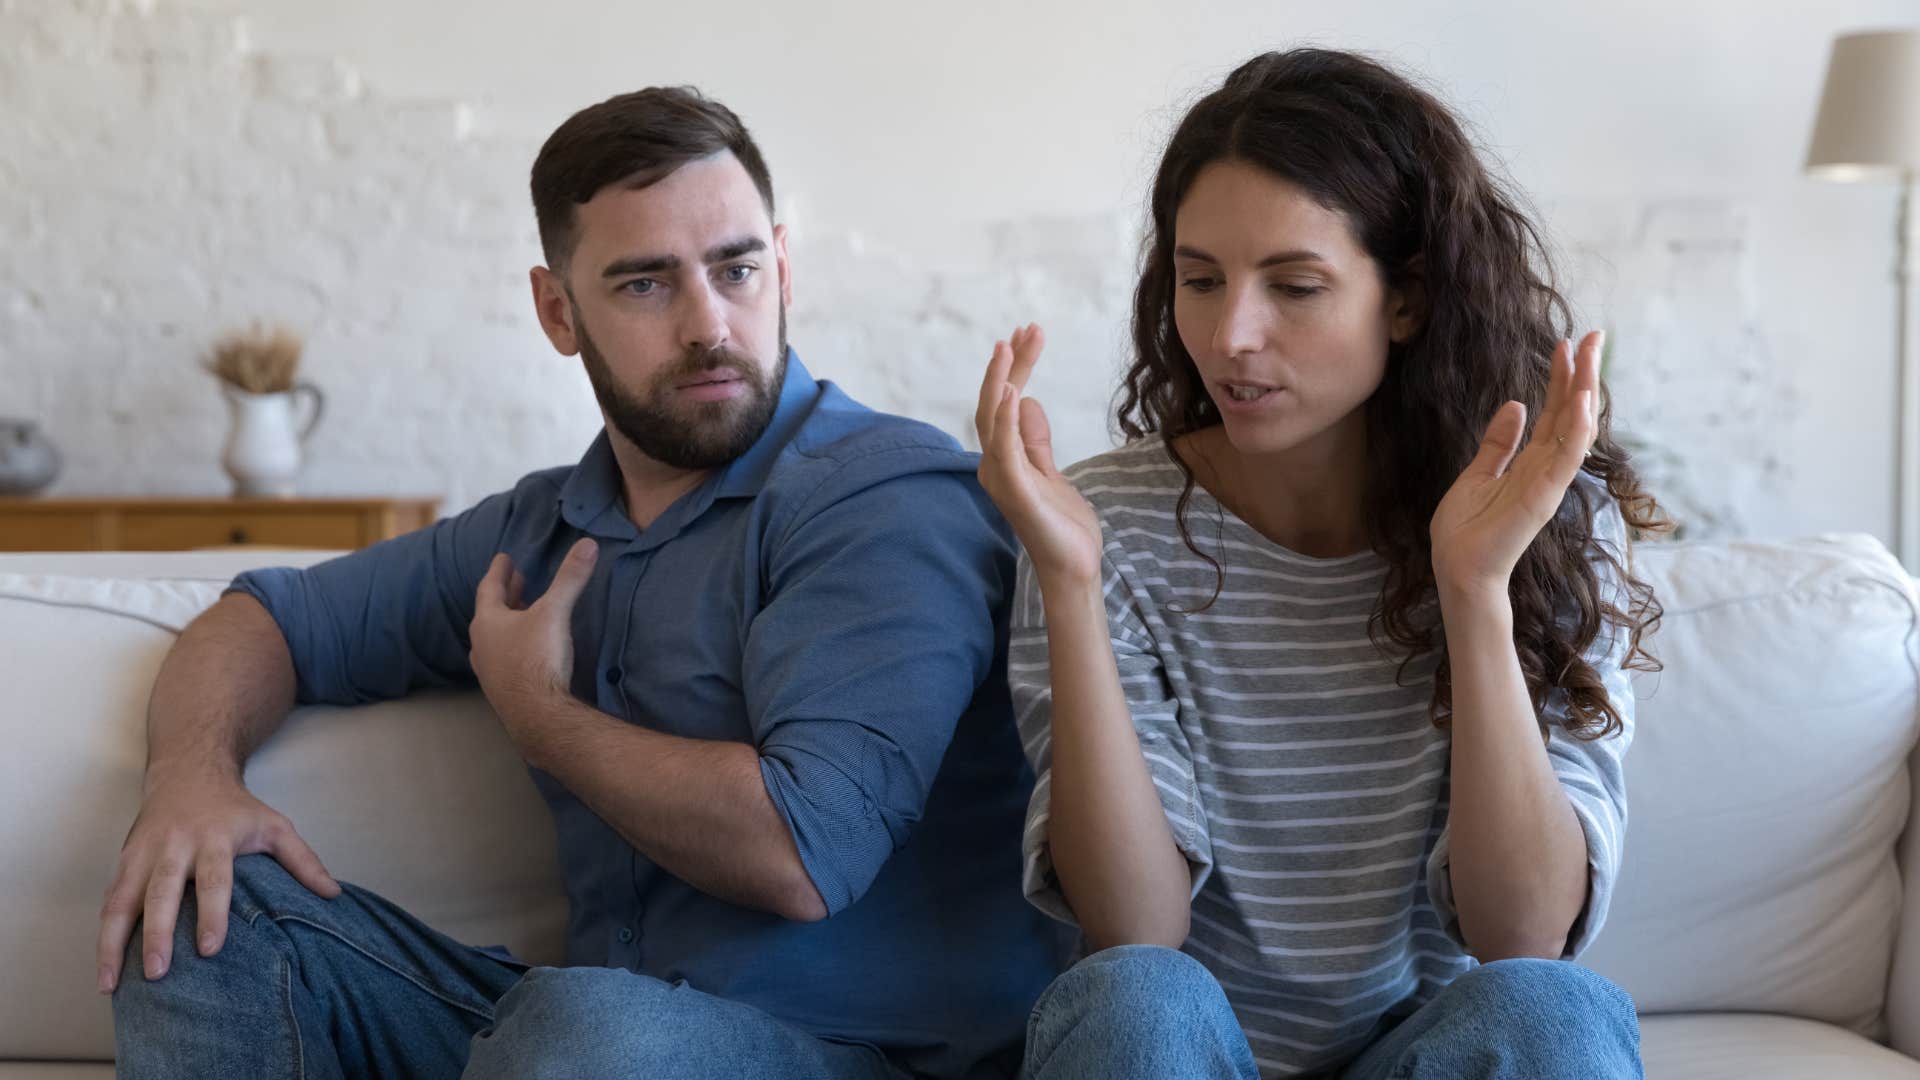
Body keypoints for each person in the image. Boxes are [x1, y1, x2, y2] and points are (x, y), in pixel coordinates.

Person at [101, 85, 1062, 1080]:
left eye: (735, 271)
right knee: (203, 900)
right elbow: (262, 620)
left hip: (863, 1060)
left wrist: (539, 713)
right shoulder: (539, 529)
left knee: (588, 1032)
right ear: (558, 311)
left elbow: (802, 853)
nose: (709, 324)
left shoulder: (884, 498)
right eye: (646, 284)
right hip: (584, 1044)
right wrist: (189, 782)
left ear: (782, 267)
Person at [975, 49, 1663, 1080]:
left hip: (1418, 1055)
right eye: (1198, 281)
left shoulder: (1546, 518)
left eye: (1294, 286)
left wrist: (1473, 591)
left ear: (1408, 299)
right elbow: (1133, 932)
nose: (1229, 335)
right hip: (1188, 1051)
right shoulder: (1097, 522)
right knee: (1132, 998)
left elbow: (1523, 936)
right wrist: (1071, 584)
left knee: (1551, 1013)